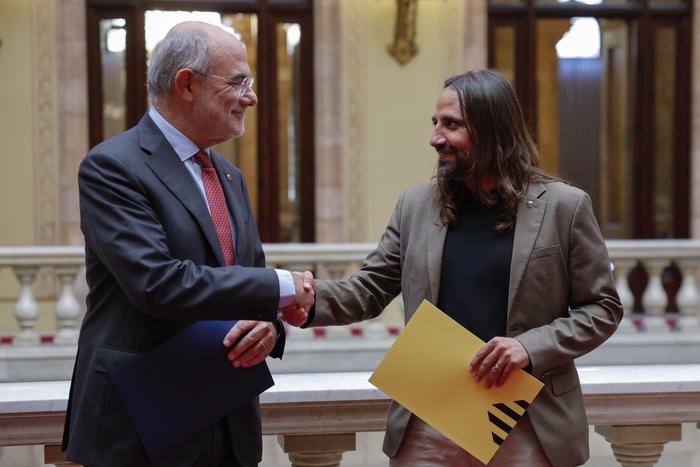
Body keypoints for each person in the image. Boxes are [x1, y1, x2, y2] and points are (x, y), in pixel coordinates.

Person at [298, 70, 622, 467]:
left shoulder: (565, 207)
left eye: (451, 125)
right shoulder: (415, 205)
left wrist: (528, 347)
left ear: (493, 130)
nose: (435, 138)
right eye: (435, 123)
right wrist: (303, 297)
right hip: (429, 418)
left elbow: (602, 308)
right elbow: (370, 288)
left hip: (527, 421)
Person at [61, 22, 311, 467]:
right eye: (238, 82)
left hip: (228, 420)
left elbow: (245, 280)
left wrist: (268, 326)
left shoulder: (230, 176)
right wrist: (282, 286)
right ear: (187, 84)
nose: (251, 97)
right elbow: (157, 283)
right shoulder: (112, 167)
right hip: (143, 427)